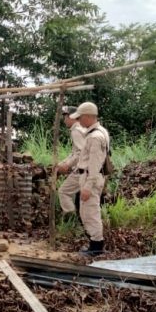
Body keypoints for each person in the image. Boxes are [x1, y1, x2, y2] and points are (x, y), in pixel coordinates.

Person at [70, 102, 110, 257]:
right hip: (91, 176)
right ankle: (94, 243)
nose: (79, 121)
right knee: (88, 210)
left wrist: (87, 186)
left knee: (91, 212)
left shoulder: (95, 137)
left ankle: (96, 246)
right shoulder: (100, 132)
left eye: (80, 118)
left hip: (90, 177)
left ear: (87, 116)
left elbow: (94, 164)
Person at [56, 106, 85, 219]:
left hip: (84, 169)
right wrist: (62, 163)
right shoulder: (82, 129)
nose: (64, 120)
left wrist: (67, 165)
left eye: (66, 117)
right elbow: (74, 153)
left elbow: (81, 153)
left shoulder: (76, 131)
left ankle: (70, 219)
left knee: (63, 192)